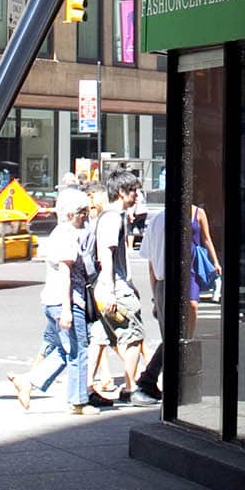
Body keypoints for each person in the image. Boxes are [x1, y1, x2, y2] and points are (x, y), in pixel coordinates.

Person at [8, 185, 110, 412]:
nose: (86, 215)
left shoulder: (65, 233)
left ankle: (29, 382)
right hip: (68, 302)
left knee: (67, 350)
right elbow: (65, 274)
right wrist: (67, 309)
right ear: (70, 214)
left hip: (57, 301)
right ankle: (78, 402)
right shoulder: (66, 235)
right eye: (82, 211)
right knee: (79, 350)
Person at [89, 172, 154, 402]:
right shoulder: (112, 218)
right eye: (133, 190)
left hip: (112, 286)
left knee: (101, 336)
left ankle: (87, 389)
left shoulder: (113, 217)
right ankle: (130, 388)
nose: (137, 195)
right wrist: (110, 288)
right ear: (121, 192)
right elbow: (106, 253)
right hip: (115, 288)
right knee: (134, 337)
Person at [137, 198, 167, 402]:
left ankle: (148, 379)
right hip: (175, 284)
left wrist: (155, 295)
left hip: (162, 285)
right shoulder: (193, 215)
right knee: (175, 338)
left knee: (170, 338)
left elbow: (150, 265)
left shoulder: (156, 220)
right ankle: (147, 379)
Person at [186, 188, 222, 338]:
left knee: (193, 304)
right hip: (178, 260)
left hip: (192, 260)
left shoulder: (198, 213)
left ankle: (189, 337)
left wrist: (215, 262)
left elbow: (207, 238)